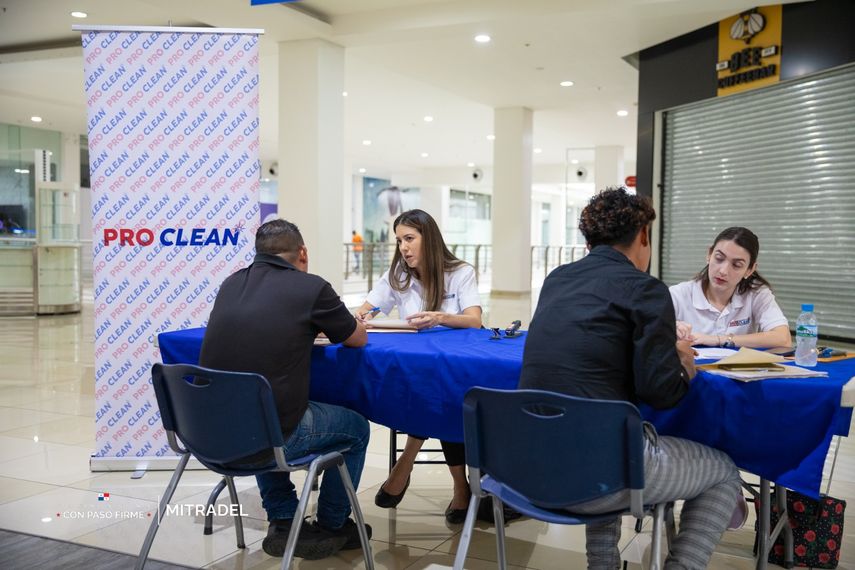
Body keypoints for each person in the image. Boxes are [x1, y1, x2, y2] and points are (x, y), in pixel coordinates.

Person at [519, 188, 742, 570]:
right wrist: (682, 365)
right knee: (723, 472)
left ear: (590, 239)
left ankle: (602, 564)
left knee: (601, 423)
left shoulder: (557, 279)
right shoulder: (645, 289)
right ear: (643, 235)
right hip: (600, 474)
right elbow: (661, 392)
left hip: (527, 467)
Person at [199, 219, 371, 561]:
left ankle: (283, 517)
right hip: (269, 435)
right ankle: (333, 524)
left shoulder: (230, 283)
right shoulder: (311, 288)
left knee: (256, 409)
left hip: (210, 433)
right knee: (356, 428)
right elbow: (356, 338)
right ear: (302, 253)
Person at [355, 208, 484, 524]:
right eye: (399, 241)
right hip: (417, 370)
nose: (403, 248)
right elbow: (364, 313)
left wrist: (439, 316)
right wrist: (357, 318)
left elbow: (475, 320)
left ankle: (407, 461)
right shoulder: (397, 277)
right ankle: (460, 488)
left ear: (430, 238)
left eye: (409, 239)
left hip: (452, 367)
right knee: (435, 394)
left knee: (445, 396)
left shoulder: (460, 272)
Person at [670, 226, 791, 349]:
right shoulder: (678, 295)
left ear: (749, 270)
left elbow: (783, 339)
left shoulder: (757, 294)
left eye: (737, 265)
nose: (723, 271)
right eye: (719, 258)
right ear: (709, 254)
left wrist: (719, 340)